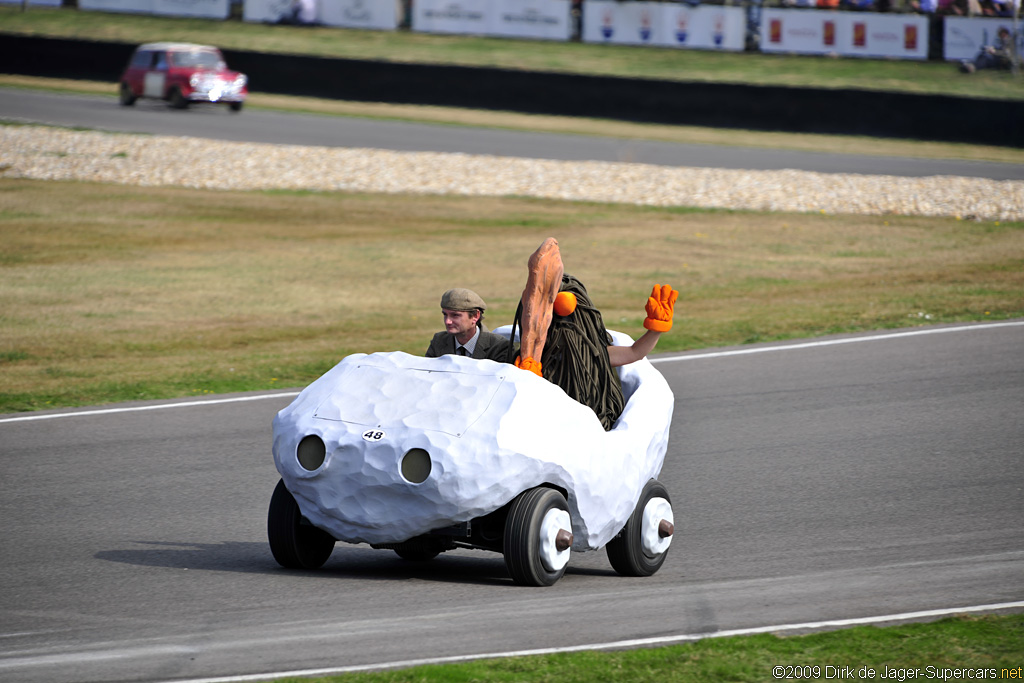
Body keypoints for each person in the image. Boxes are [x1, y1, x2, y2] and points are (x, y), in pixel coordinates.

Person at [425, 288, 512, 361]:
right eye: (445, 314)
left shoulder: (498, 347)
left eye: (455, 315)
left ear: (475, 316)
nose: (448, 321)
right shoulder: (439, 341)